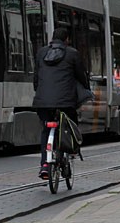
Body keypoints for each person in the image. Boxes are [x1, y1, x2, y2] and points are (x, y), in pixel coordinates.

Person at [31, 27, 89, 180]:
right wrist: (86, 88)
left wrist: (39, 92)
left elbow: (36, 78)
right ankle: (72, 149)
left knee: (46, 129)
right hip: (65, 102)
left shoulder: (41, 52)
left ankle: (45, 164)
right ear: (67, 40)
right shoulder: (72, 53)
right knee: (70, 124)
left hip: (42, 101)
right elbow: (81, 75)